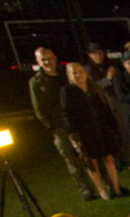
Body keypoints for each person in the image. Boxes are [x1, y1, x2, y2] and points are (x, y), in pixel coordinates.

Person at [30, 47, 96, 200]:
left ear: (55, 57)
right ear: (38, 61)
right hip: (59, 127)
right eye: (43, 59)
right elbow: (39, 108)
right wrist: (52, 126)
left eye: (49, 58)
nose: (47, 62)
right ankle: (86, 189)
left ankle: (105, 184)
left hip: (78, 122)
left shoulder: (66, 74)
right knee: (71, 159)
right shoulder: (37, 82)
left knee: (91, 154)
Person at [60, 62, 122, 200]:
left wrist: (113, 125)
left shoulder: (94, 88)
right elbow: (66, 114)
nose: (78, 75)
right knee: (91, 162)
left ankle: (116, 188)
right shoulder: (67, 91)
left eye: (80, 71)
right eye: (74, 73)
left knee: (108, 158)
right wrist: (73, 135)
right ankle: (101, 190)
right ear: (69, 75)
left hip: (101, 128)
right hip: (84, 132)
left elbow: (105, 108)